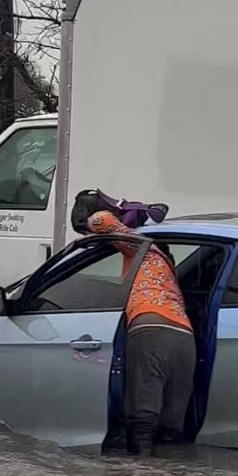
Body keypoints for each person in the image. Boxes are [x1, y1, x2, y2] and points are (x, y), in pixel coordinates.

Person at [74, 191, 194, 457]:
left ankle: (139, 473)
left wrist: (121, 210)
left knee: (143, 413)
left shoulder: (141, 248)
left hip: (150, 325)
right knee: (171, 422)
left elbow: (98, 221)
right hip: (185, 336)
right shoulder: (169, 274)